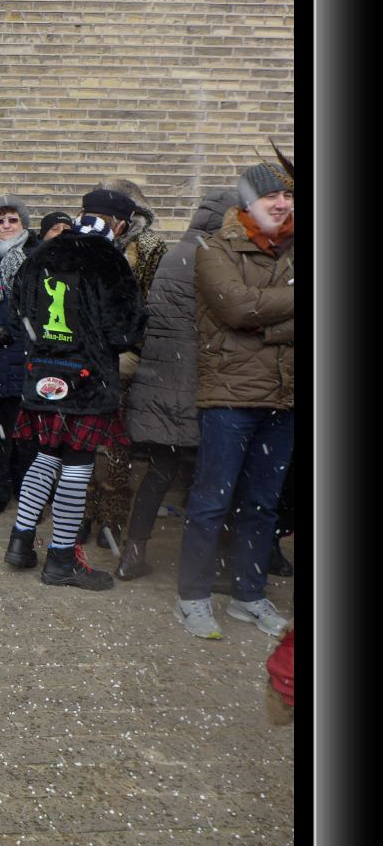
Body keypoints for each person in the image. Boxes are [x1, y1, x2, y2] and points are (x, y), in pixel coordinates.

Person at [1, 190, 148, 590]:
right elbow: (125, 332)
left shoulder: (43, 252)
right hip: (87, 380)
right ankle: (61, 559)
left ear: (83, 213)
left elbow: (17, 315)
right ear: (120, 224)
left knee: (46, 455)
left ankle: (20, 542)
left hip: (43, 375)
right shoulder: (110, 259)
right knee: (78, 464)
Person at [173, 158, 295, 639]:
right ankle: (193, 597)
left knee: (262, 504)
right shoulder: (215, 248)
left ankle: (248, 595)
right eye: (271, 196)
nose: (282, 204)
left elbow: (254, 313)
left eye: (288, 196)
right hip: (229, 395)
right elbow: (238, 308)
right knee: (211, 501)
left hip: (284, 397)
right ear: (249, 202)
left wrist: (268, 326)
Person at [113, 188, 237, 579]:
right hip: (198, 385)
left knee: (160, 471)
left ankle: (132, 554)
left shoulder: (174, 254)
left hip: (159, 382)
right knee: (213, 478)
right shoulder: (214, 258)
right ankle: (209, 565)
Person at [79, 178, 169, 548]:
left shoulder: (148, 246)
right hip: (84, 354)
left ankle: (111, 519)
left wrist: (130, 344)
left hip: (122, 355)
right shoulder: (83, 241)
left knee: (115, 441)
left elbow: (152, 302)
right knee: (81, 438)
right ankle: (82, 513)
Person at [0, 195, 41, 518]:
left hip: (27, 354)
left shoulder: (37, 257)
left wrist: (18, 329)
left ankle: (27, 493)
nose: (6, 225)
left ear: (23, 223)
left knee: (27, 433)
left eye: (12, 219)